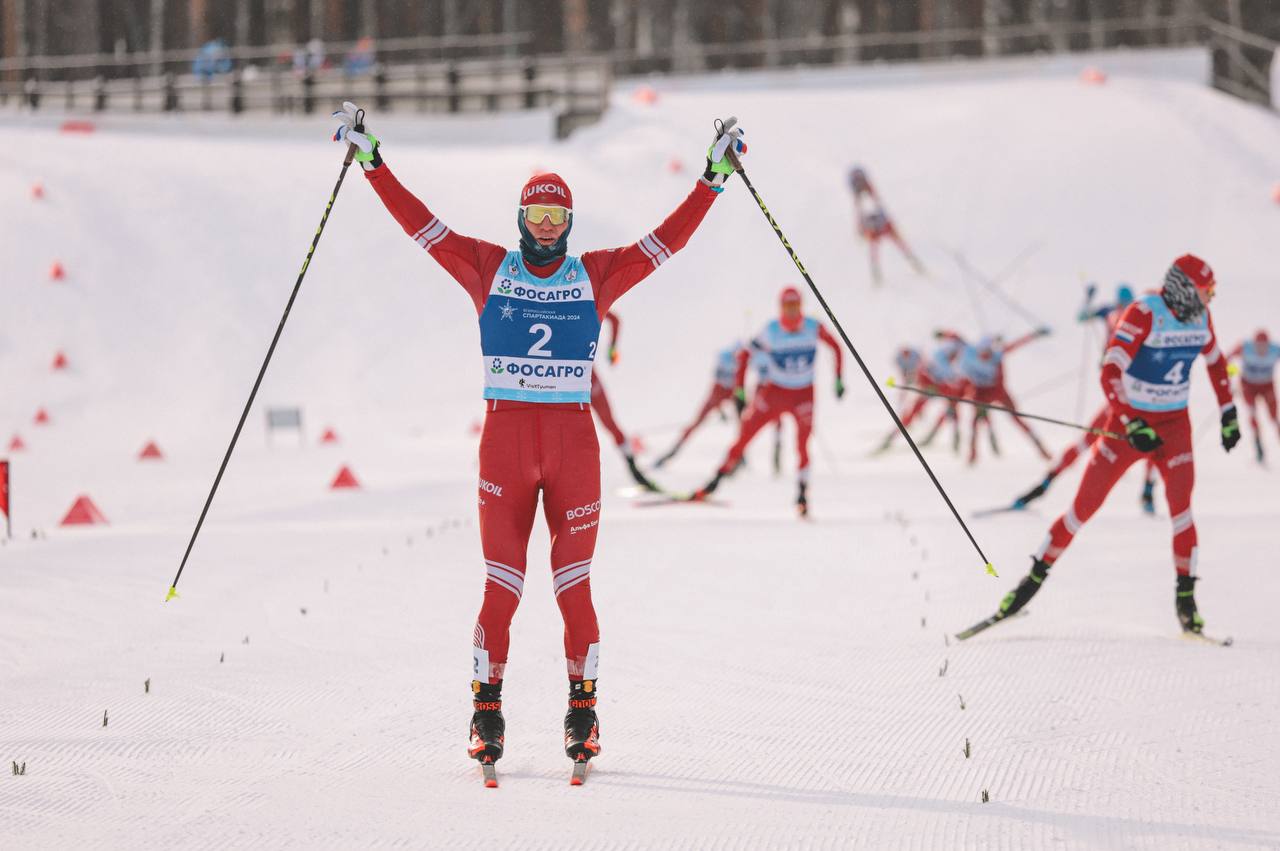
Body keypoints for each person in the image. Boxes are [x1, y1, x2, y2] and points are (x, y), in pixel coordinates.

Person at [333, 102, 746, 776]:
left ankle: (582, 712)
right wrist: (374, 163)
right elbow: (421, 226)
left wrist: (711, 179)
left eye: (557, 218)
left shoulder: (594, 275)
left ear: (569, 224)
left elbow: (664, 244)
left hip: (573, 448)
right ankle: (486, 711)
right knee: (503, 586)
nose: (546, 228)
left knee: (574, 587)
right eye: (537, 216)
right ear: (522, 219)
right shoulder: (487, 267)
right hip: (505, 444)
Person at [991, 255, 1238, 636]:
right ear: (1185, 291)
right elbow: (1110, 371)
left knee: (1182, 512)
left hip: (1174, 426)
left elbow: (1217, 363)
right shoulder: (1144, 312)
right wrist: (1130, 420)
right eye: (1207, 292)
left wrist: (1228, 412)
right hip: (1127, 423)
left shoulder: (1201, 318)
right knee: (1081, 510)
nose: (1210, 300)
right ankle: (1029, 584)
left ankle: (1186, 602)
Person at [696, 286, 844, 515]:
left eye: (795, 307)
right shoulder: (772, 330)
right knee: (744, 436)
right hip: (775, 393)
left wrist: (838, 378)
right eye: (787, 307)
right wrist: (740, 389)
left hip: (804, 394)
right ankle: (714, 482)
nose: (792, 313)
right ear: (781, 308)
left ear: (801, 307)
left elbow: (836, 346)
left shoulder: (813, 327)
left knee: (803, 445)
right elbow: (744, 355)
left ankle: (802, 495)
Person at [1015, 286, 1156, 512]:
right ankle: (1044, 484)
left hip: (1126, 392)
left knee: (1145, 442)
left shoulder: (1125, 314)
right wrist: (1088, 299)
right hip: (1123, 392)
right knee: (1130, 441)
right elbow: (1083, 316)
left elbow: (1085, 316)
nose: (1123, 308)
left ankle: (1147, 492)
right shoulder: (1121, 313)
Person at [944, 329, 1052, 464]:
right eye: (982, 353)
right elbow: (957, 338)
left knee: (1017, 418)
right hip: (981, 393)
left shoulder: (997, 356)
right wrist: (944, 333)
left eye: (987, 353)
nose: (984, 356)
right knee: (975, 421)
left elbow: (1016, 345)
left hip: (998, 392)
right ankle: (972, 454)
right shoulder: (970, 353)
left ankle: (1040, 448)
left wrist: (1034, 335)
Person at [588, 312, 659, 490]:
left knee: (609, 424)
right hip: (576, 378)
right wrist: (612, 349)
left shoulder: (581, 295)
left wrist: (612, 349)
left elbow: (615, 320)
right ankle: (635, 471)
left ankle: (635, 471)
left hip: (581, 377)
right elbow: (615, 320)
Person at [654, 341, 747, 469]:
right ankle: (672, 452)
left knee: (743, 425)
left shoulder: (742, 359)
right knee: (696, 423)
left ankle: (740, 457)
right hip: (719, 391)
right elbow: (718, 392)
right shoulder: (724, 357)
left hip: (732, 392)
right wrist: (721, 411)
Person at [849, 166, 925, 286]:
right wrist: (862, 230)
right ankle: (877, 275)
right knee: (877, 250)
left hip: (880, 224)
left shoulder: (867, 194)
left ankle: (913, 263)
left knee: (897, 244)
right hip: (874, 226)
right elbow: (862, 214)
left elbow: (877, 208)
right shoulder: (861, 198)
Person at [1227, 330, 1280, 463]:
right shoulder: (1245, 348)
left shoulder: (1275, 350)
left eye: (1264, 346)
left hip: (1267, 386)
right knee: (1252, 414)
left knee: (1273, 416)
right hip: (1248, 386)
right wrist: (1231, 379)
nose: (1261, 349)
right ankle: (1258, 446)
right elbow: (1228, 359)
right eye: (1259, 345)